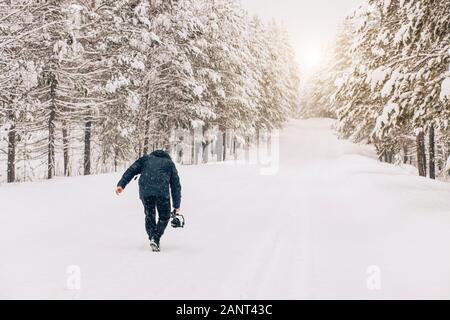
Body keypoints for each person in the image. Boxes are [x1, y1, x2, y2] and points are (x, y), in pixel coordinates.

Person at [115, 150, 181, 252]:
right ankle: (156, 237)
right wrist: (176, 205)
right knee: (164, 216)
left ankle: (152, 238)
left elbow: (131, 170)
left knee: (149, 215)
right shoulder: (169, 164)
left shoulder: (146, 159)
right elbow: (175, 186)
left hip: (146, 190)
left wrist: (121, 184)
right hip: (162, 192)